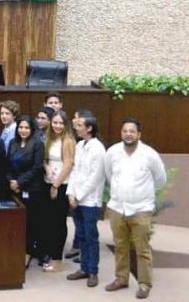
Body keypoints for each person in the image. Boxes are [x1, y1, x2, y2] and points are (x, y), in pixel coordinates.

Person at [104, 118, 167, 300]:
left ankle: (144, 284)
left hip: (141, 210)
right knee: (120, 246)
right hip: (117, 208)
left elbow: (160, 180)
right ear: (121, 133)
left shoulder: (150, 154)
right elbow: (109, 175)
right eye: (125, 131)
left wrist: (143, 196)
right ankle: (121, 278)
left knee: (142, 249)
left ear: (139, 134)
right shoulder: (113, 152)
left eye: (132, 131)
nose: (128, 134)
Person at [66, 111, 106, 288]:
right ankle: (83, 267)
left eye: (80, 125)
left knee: (91, 236)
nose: (76, 127)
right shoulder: (80, 145)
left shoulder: (98, 148)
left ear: (89, 128)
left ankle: (92, 271)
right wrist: (70, 193)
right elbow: (74, 171)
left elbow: (95, 177)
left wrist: (78, 195)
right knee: (81, 234)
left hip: (90, 200)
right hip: (76, 198)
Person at [40, 110, 76, 273]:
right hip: (47, 183)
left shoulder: (68, 141)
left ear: (66, 124)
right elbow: (45, 159)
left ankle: (58, 260)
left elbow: (68, 165)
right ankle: (50, 255)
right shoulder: (49, 139)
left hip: (61, 185)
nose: (57, 126)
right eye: (55, 122)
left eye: (61, 123)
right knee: (48, 222)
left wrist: (56, 185)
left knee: (58, 223)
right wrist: (47, 169)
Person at [6, 115, 45, 266]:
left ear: (32, 129)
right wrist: (11, 181)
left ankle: (28, 252)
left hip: (32, 189)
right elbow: (7, 165)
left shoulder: (37, 144)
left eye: (26, 128)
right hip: (14, 189)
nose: (23, 130)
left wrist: (19, 182)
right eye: (20, 127)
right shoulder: (12, 142)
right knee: (17, 222)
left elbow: (37, 168)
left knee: (30, 222)